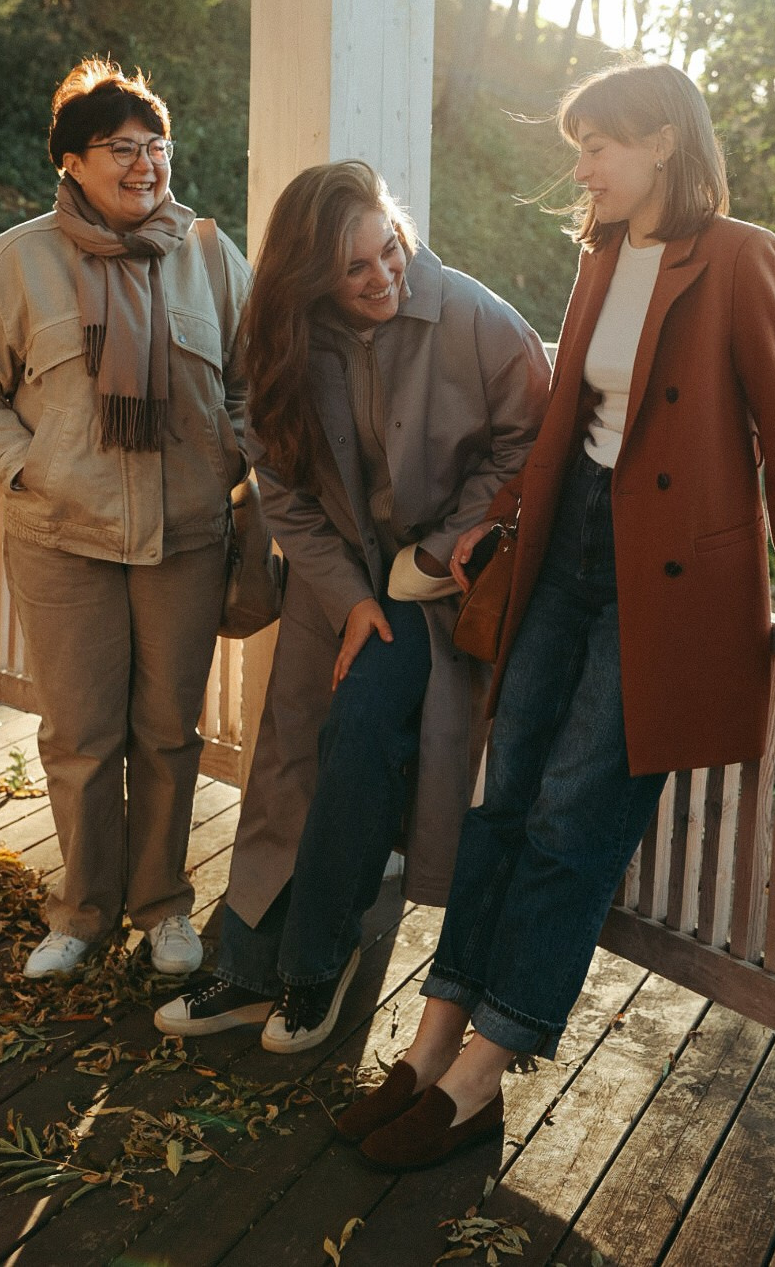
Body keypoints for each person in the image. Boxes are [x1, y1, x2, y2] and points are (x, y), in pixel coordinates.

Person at [338, 62, 775, 1169]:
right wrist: (497, 525)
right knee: (503, 799)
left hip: (668, 585)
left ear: (662, 141)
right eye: (580, 148)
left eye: (598, 146)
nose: (582, 168)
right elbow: (569, 413)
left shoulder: (741, 258)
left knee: (574, 818)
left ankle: (488, 1065)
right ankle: (432, 1040)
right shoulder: (600, 256)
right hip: (564, 554)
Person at [154, 159, 550, 1049]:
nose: (385, 278)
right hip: (335, 576)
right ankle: (246, 970)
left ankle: (312, 967)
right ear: (309, 278)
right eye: (356, 269)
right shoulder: (280, 338)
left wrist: (439, 552)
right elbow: (283, 488)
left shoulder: (477, 317)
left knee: (364, 727)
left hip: (439, 582)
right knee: (288, 759)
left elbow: (531, 444)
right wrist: (348, 596)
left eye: (390, 250)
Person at [0, 58, 250, 980]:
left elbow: (262, 376)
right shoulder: (16, 261)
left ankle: (163, 907)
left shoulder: (209, 253)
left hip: (185, 535)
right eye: (121, 148)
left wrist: (231, 455)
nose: (145, 164)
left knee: (168, 733)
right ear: (71, 160)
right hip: (60, 536)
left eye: (156, 146)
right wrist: (28, 465)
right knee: (80, 734)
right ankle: (80, 912)